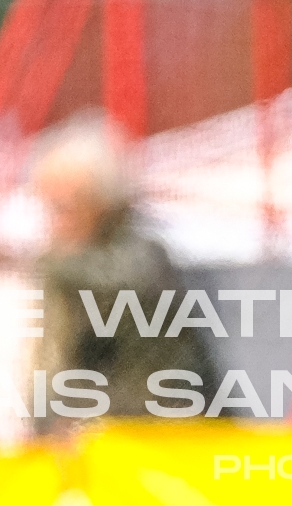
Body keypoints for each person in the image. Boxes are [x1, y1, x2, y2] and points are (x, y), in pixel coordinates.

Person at [31, 123, 205, 422]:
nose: (53, 222)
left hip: (159, 432)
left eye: (62, 207)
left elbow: (116, 287)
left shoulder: (142, 257)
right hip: (100, 431)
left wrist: (45, 263)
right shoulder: (69, 265)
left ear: (101, 203)